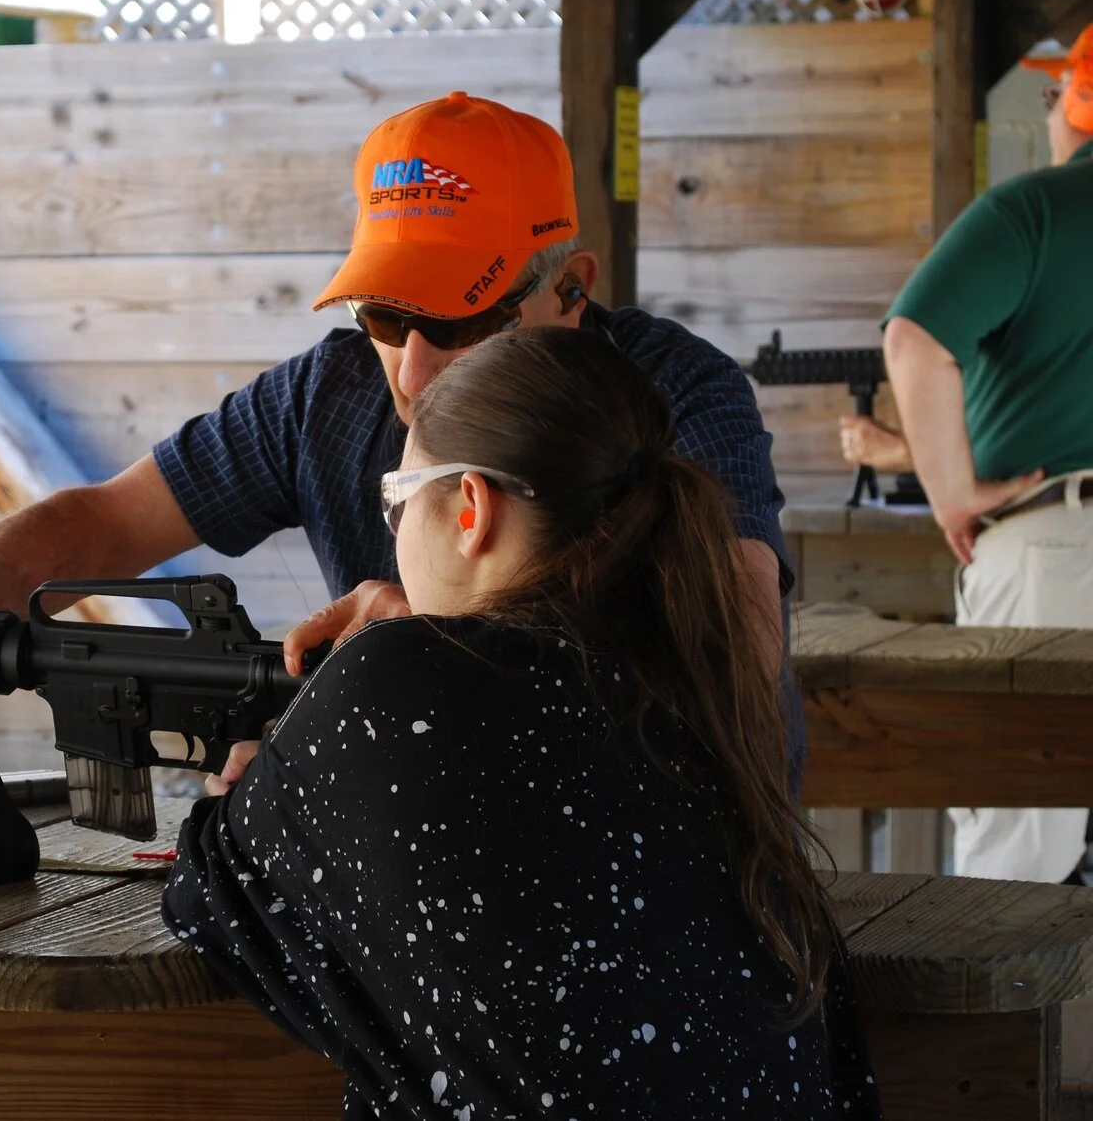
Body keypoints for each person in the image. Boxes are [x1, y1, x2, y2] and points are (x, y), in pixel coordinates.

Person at [0, 91, 803, 783]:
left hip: (683, 834)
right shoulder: (330, 389)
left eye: (467, 321)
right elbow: (115, 518)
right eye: (387, 316)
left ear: (571, 284)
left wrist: (446, 645)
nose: (417, 372)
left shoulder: (681, 393)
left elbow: (739, 660)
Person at [162, 327, 879, 1120]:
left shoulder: (396, 679)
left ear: (471, 508)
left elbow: (208, 895)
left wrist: (282, 758)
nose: (394, 534)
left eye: (396, 501)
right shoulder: (688, 687)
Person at [877, 21, 1093, 883]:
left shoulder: (1034, 209)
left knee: (1017, 861)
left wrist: (954, 494)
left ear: (1076, 108)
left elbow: (916, 342)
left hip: (1057, 551)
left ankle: (1000, 1028)